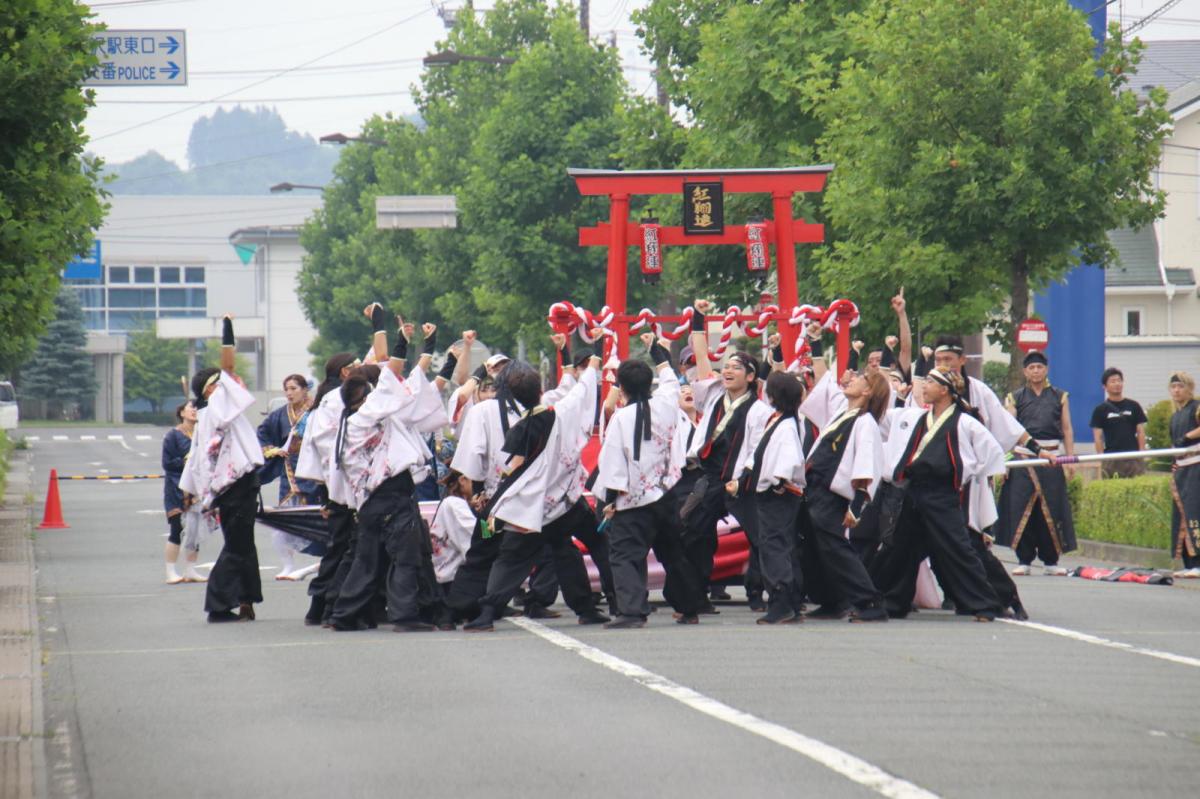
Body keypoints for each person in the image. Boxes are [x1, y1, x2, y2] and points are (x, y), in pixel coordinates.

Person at [463, 351, 609, 631]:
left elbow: (513, 469)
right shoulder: (561, 412)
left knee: (511, 559)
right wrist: (592, 365)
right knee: (567, 551)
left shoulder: (520, 429)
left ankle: (487, 612)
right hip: (565, 503)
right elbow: (582, 391)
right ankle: (586, 608)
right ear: (541, 390)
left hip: (530, 509)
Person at [327, 306, 448, 632]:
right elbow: (391, 378)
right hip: (390, 494)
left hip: (371, 502)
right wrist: (401, 342)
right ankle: (405, 616)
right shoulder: (367, 417)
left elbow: (400, 385)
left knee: (366, 561)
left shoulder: (352, 423)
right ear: (363, 399)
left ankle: (343, 615)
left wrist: (422, 347)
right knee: (405, 557)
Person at [877, 369, 1007, 622]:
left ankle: (985, 604)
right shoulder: (919, 418)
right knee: (899, 546)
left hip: (941, 493)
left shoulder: (964, 421)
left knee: (958, 548)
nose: (925, 386)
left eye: (930, 382)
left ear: (945, 389)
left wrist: (966, 473)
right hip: (914, 490)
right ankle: (893, 601)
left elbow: (992, 453)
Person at [594, 340, 705, 628]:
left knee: (625, 554)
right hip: (666, 492)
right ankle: (689, 607)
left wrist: (609, 499)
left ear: (622, 389)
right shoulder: (666, 404)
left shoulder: (621, 418)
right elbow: (670, 381)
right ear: (648, 383)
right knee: (673, 552)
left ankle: (632, 611)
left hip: (632, 498)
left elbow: (613, 462)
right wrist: (657, 351)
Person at [680, 301, 774, 611]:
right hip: (709, 477)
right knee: (694, 531)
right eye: (727, 367)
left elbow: (758, 448)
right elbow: (701, 358)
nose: (728, 371)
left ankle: (756, 593)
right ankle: (697, 596)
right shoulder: (713, 395)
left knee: (759, 536)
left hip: (740, 481)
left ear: (751, 377)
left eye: (736, 367)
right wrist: (699, 318)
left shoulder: (760, 409)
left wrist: (743, 478)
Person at [180, 316, 266, 623]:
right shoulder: (217, 407)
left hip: (235, 486)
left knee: (244, 545)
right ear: (211, 390)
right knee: (237, 546)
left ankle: (245, 599)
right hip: (235, 487)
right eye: (220, 383)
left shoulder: (210, 414)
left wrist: (193, 491)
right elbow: (228, 368)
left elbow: (195, 461)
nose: (229, 384)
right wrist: (228, 334)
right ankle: (217, 605)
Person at [799, 370, 890, 622]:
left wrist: (857, 504)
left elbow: (866, 463)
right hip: (816, 488)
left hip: (832, 493)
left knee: (835, 547)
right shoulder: (843, 413)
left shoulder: (866, 421)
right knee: (815, 547)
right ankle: (832, 599)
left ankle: (869, 600)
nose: (852, 379)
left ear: (868, 391)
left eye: (860, 378)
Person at [732, 372, 808, 624]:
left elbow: (790, 459)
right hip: (776, 493)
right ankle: (790, 602)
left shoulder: (786, 425)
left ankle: (782, 602)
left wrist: (779, 482)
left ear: (774, 396)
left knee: (773, 547)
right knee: (779, 546)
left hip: (778, 494)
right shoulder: (782, 421)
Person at [994, 350, 1077, 576]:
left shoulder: (1060, 396)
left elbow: (1067, 428)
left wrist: (1070, 459)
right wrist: (1005, 462)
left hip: (1052, 458)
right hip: (1023, 458)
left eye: (1040, 367)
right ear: (1025, 372)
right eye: (1031, 368)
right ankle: (1024, 560)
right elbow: (1008, 430)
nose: (1036, 371)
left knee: (1050, 509)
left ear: (1046, 370)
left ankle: (1051, 561)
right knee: (1024, 510)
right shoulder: (1015, 397)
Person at [295, 352, 359, 625]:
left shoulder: (331, 398)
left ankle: (329, 603)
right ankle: (325, 603)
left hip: (341, 481)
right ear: (345, 372)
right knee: (342, 546)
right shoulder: (336, 399)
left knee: (343, 546)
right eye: (356, 367)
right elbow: (329, 442)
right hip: (341, 481)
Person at [257, 373, 322, 580]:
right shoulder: (279, 415)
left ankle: (324, 562)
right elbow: (262, 434)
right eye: (286, 389)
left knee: (317, 518)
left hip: (314, 471)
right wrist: (272, 450)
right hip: (289, 471)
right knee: (283, 520)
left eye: (294, 388)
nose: (289, 393)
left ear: (305, 390)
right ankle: (287, 565)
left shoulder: (318, 411)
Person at [161, 401, 206, 584]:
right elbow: (167, 463)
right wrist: (186, 460)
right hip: (176, 488)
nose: (195, 410)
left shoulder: (203, 433)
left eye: (197, 408)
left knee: (195, 530)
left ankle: (190, 569)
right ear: (182, 413)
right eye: (191, 408)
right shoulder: (173, 435)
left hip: (198, 488)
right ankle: (170, 571)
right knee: (177, 529)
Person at [1167, 372, 1200, 578]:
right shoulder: (1175, 416)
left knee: (1194, 512)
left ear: (1189, 388)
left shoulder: (1196, 407)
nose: (1177, 390)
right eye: (1174, 387)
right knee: (1181, 515)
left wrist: (1187, 437)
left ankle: (1198, 562)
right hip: (1181, 468)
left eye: (1181, 386)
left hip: (1196, 466)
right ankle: (1188, 564)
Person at [1089, 367, 1147, 478]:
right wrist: (1101, 458)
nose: (1117, 384)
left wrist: (1141, 454)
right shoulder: (1100, 410)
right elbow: (1098, 437)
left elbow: (1140, 431)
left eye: (1119, 380)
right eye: (1112, 381)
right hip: (1111, 459)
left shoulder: (1134, 406)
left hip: (1133, 457)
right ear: (1104, 386)